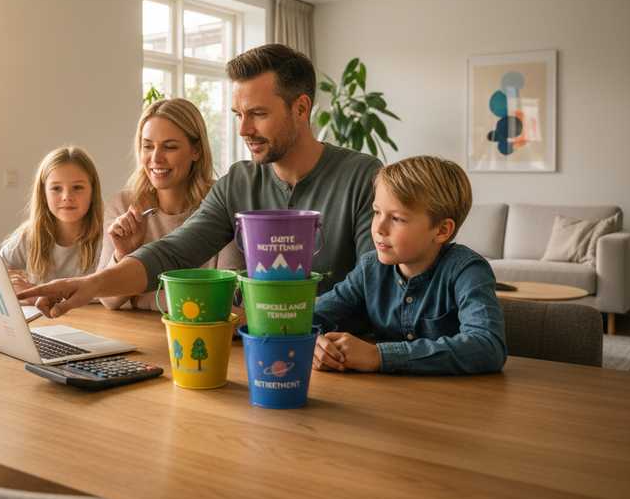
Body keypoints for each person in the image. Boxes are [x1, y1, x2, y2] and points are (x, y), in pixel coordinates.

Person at [20, 44, 381, 318]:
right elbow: (173, 251)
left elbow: (372, 280)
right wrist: (91, 284)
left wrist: (271, 317)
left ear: (300, 109)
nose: (243, 130)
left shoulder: (362, 176)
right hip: (249, 351)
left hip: (334, 353)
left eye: (258, 114)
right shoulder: (237, 183)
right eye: (239, 114)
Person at [312, 155, 507, 375]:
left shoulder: (467, 271)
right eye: (377, 212)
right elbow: (311, 317)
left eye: (397, 218)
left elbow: (488, 346)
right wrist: (316, 344)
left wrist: (379, 356)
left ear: (442, 230)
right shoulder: (370, 268)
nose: (378, 228)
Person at [97, 97, 242, 309]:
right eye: (148, 146)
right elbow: (109, 299)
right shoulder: (122, 205)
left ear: (196, 150)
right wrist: (122, 254)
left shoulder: (222, 203)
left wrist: (140, 297)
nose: (156, 158)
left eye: (170, 147)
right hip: (134, 334)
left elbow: (228, 298)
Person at [0, 146, 104, 301]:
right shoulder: (28, 236)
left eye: (77, 187)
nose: (67, 196)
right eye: (56, 188)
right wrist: (15, 286)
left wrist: (37, 295)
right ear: (43, 194)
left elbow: (113, 295)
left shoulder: (107, 238)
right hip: (43, 324)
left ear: (92, 191)